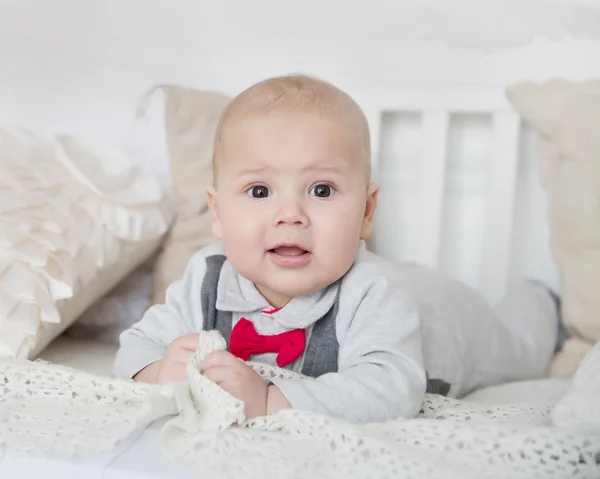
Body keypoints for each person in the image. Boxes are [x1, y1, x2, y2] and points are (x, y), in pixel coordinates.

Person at [114, 75, 560, 423]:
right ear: (217, 211)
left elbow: (390, 390)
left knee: (523, 345)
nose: (290, 214)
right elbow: (136, 343)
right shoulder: (206, 277)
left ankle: (539, 296)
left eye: (322, 190)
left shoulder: (374, 291)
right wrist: (155, 371)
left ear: (367, 211)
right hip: (400, 283)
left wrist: (269, 400)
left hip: (446, 322)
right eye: (258, 190)